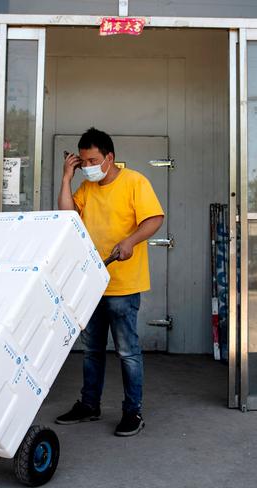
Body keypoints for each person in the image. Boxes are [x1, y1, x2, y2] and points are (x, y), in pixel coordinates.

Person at [55, 127, 164, 436]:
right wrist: (66, 178)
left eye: (92, 160)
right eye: (83, 161)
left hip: (123, 285)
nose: (87, 166)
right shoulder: (87, 190)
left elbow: (154, 218)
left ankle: (133, 412)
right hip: (91, 284)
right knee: (91, 350)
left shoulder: (135, 182)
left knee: (127, 351)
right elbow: (67, 217)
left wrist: (131, 241)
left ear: (109, 157)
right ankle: (89, 405)